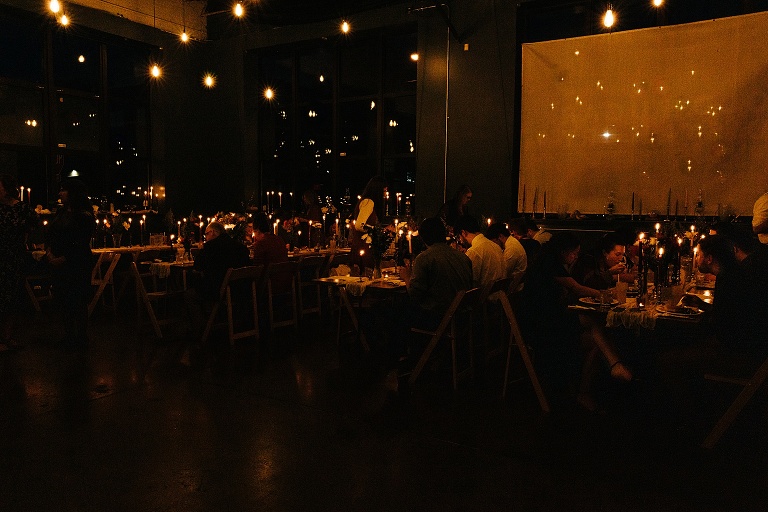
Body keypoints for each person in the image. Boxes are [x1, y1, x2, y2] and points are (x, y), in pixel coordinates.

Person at [686, 235, 768, 360]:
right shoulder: (731, 274)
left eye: (698, 255)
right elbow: (726, 310)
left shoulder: (728, 280)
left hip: (738, 351)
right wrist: (702, 304)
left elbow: (721, 323)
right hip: (749, 343)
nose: (696, 259)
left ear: (709, 259)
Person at [46, 178, 95, 351]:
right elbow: (51, 234)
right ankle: (69, 336)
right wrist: (50, 253)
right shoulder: (61, 213)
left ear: (73, 193)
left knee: (78, 299)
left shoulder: (83, 215)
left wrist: (64, 258)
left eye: (63, 190)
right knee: (63, 298)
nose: (60, 193)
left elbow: (81, 242)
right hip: (59, 262)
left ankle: (81, 337)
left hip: (76, 263)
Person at [0, 172, 36, 351]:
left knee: (12, 297)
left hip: (13, 257)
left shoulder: (21, 208)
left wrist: (26, 238)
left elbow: (33, 226)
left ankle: (7, 336)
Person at [193, 221, 250, 302]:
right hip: (242, 290)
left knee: (189, 295)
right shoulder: (240, 247)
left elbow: (197, 266)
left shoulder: (210, 247)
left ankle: (209, 314)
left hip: (219, 291)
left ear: (212, 232)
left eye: (206, 234)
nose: (206, 237)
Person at [453, 215, 505, 289]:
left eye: (459, 237)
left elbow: (468, 282)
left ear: (463, 233)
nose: (460, 241)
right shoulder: (495, 246)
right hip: (498, 295)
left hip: (484, 298)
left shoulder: (474, 251)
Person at [349, 175, 387, 274]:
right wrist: (376, 231)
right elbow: (359, 225)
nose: (384, 194)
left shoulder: (365, 201)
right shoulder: (368, 202)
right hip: (364, 246)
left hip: (361, 245)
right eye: (383, 191)